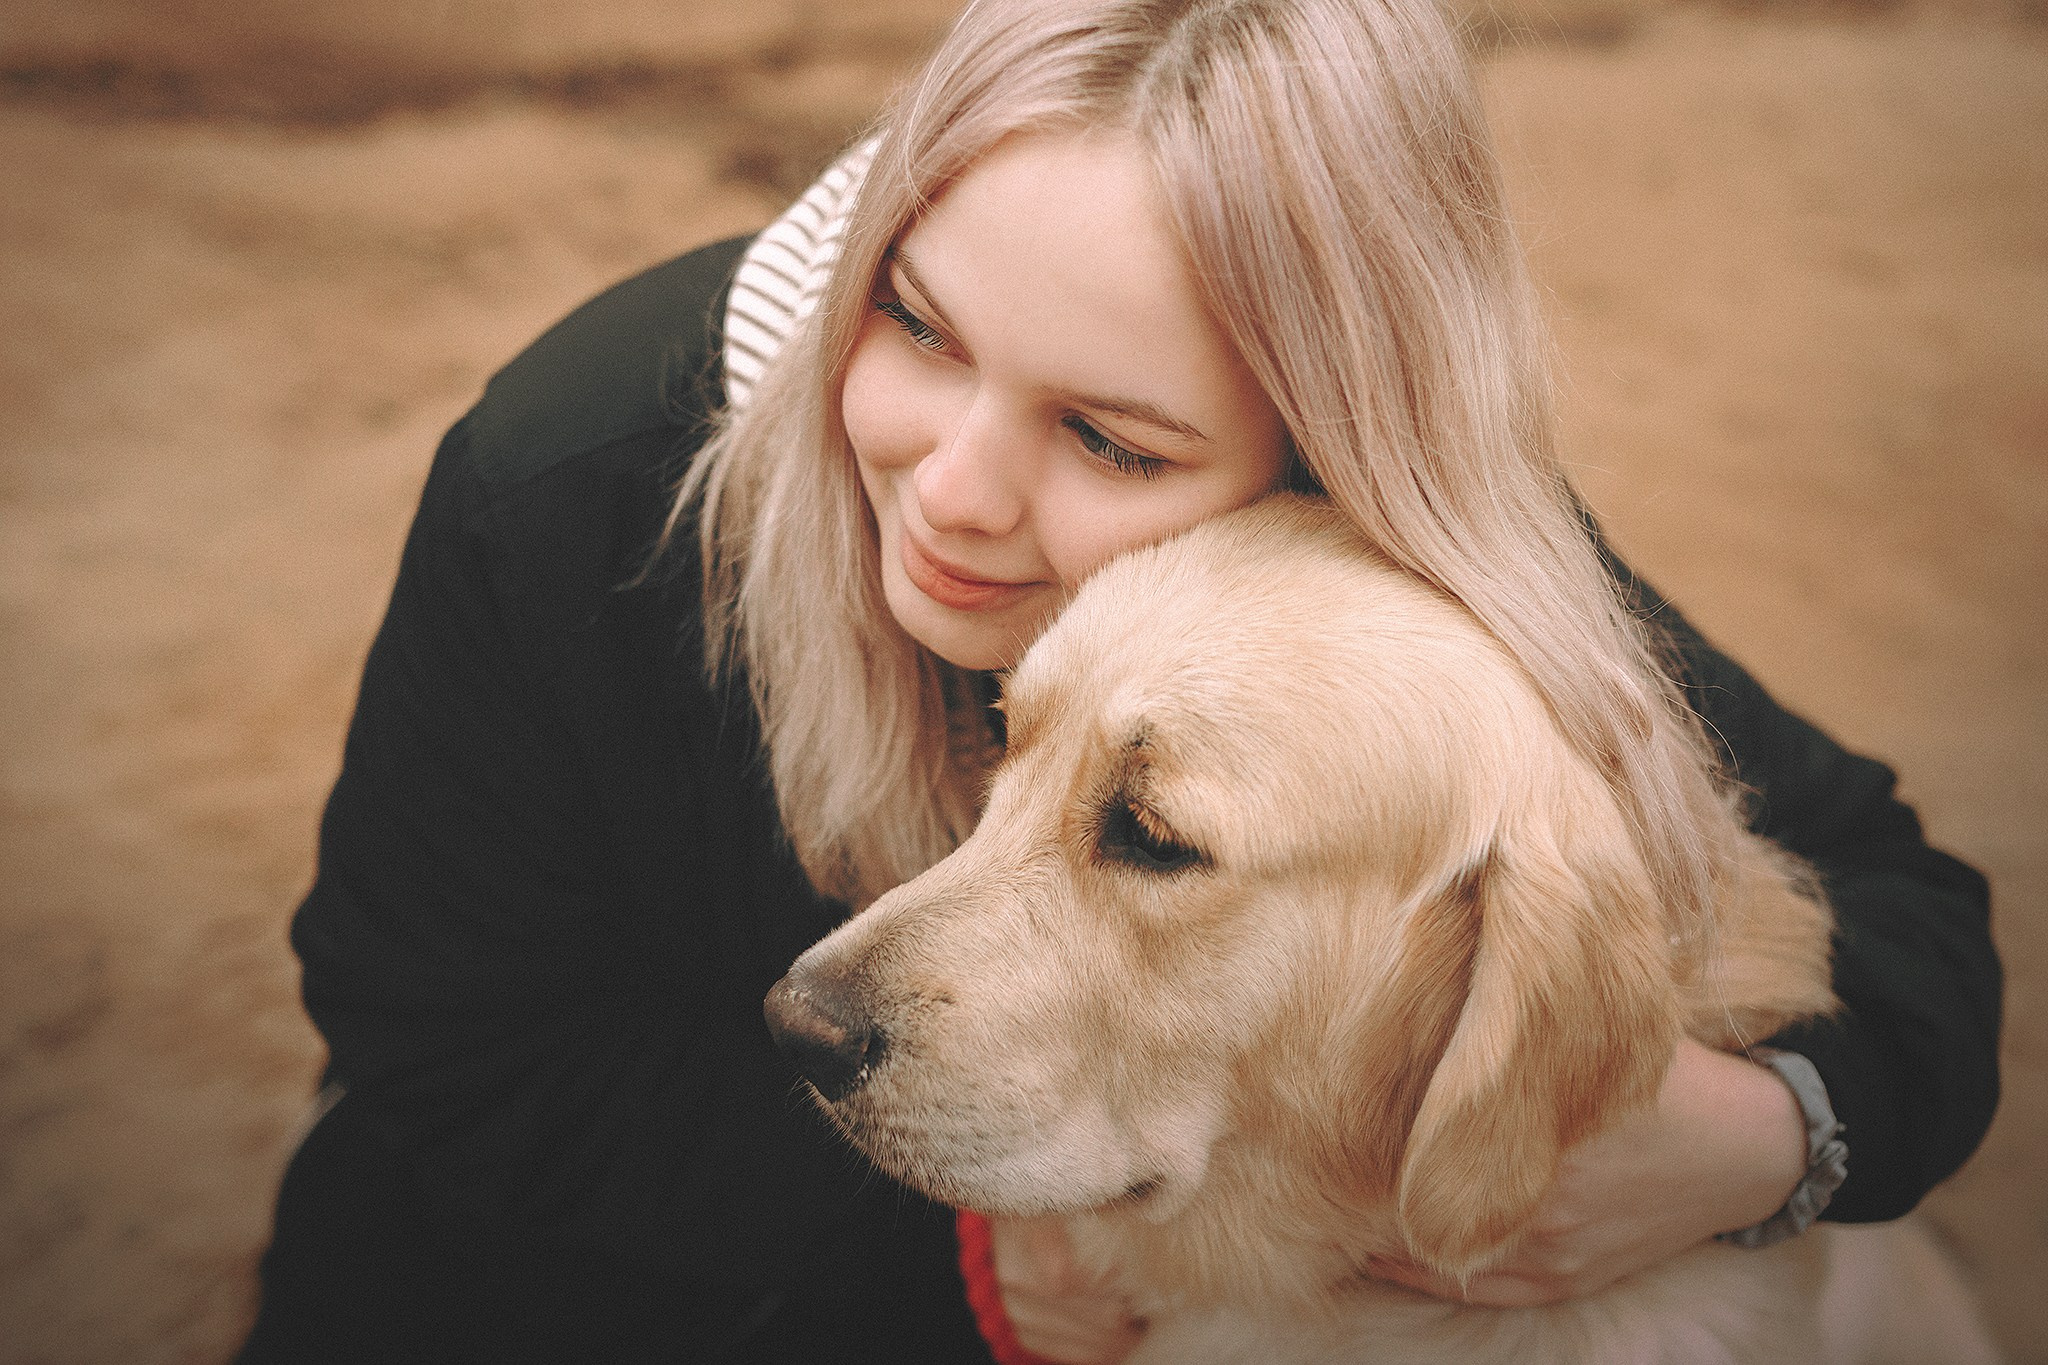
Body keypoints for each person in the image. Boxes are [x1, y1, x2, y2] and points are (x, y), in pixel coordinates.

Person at [237, 0, 2002, 1361]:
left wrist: (1766, 1133)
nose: (954, 489)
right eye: (917, 324)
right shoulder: (565, 484)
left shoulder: (1389, 557)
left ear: (1321, 454)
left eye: (1109, 434)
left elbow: (1902, 904)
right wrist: (950, 1246)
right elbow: (433, 1038)